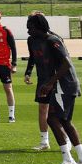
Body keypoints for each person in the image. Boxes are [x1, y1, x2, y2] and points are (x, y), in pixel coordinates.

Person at [27, 14, 82, 164]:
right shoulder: (40, 41)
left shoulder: (52, 40)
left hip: (63, 85)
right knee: (65, 122)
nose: (28, 30)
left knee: (52, 118)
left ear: (38, 27)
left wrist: (51, 83)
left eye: (30, 27)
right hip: (60, 85)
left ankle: (68, 160)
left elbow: (66, 63)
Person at [23, 19, 53, 151]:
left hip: (55, 79)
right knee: (42, 108)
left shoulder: (53, 39)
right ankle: (44, 141)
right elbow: (32, 56)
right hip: (42, 79)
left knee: (58, 112)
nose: (28, 29)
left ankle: (67, 140)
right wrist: (28, 72)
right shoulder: (31, 40)